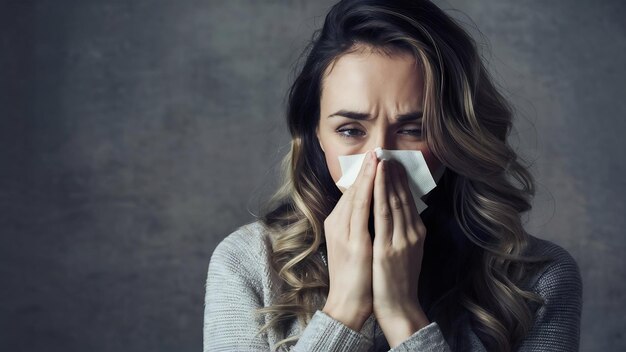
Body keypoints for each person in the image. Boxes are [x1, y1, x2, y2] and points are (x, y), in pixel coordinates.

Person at [203, 0, 583, 351]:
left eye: (413, 130)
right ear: (316, 134)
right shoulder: (249, 262)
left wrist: (403, 315)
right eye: (351, 130)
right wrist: (344, 311)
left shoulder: (536, 279)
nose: (379, 159)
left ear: (456, 135)